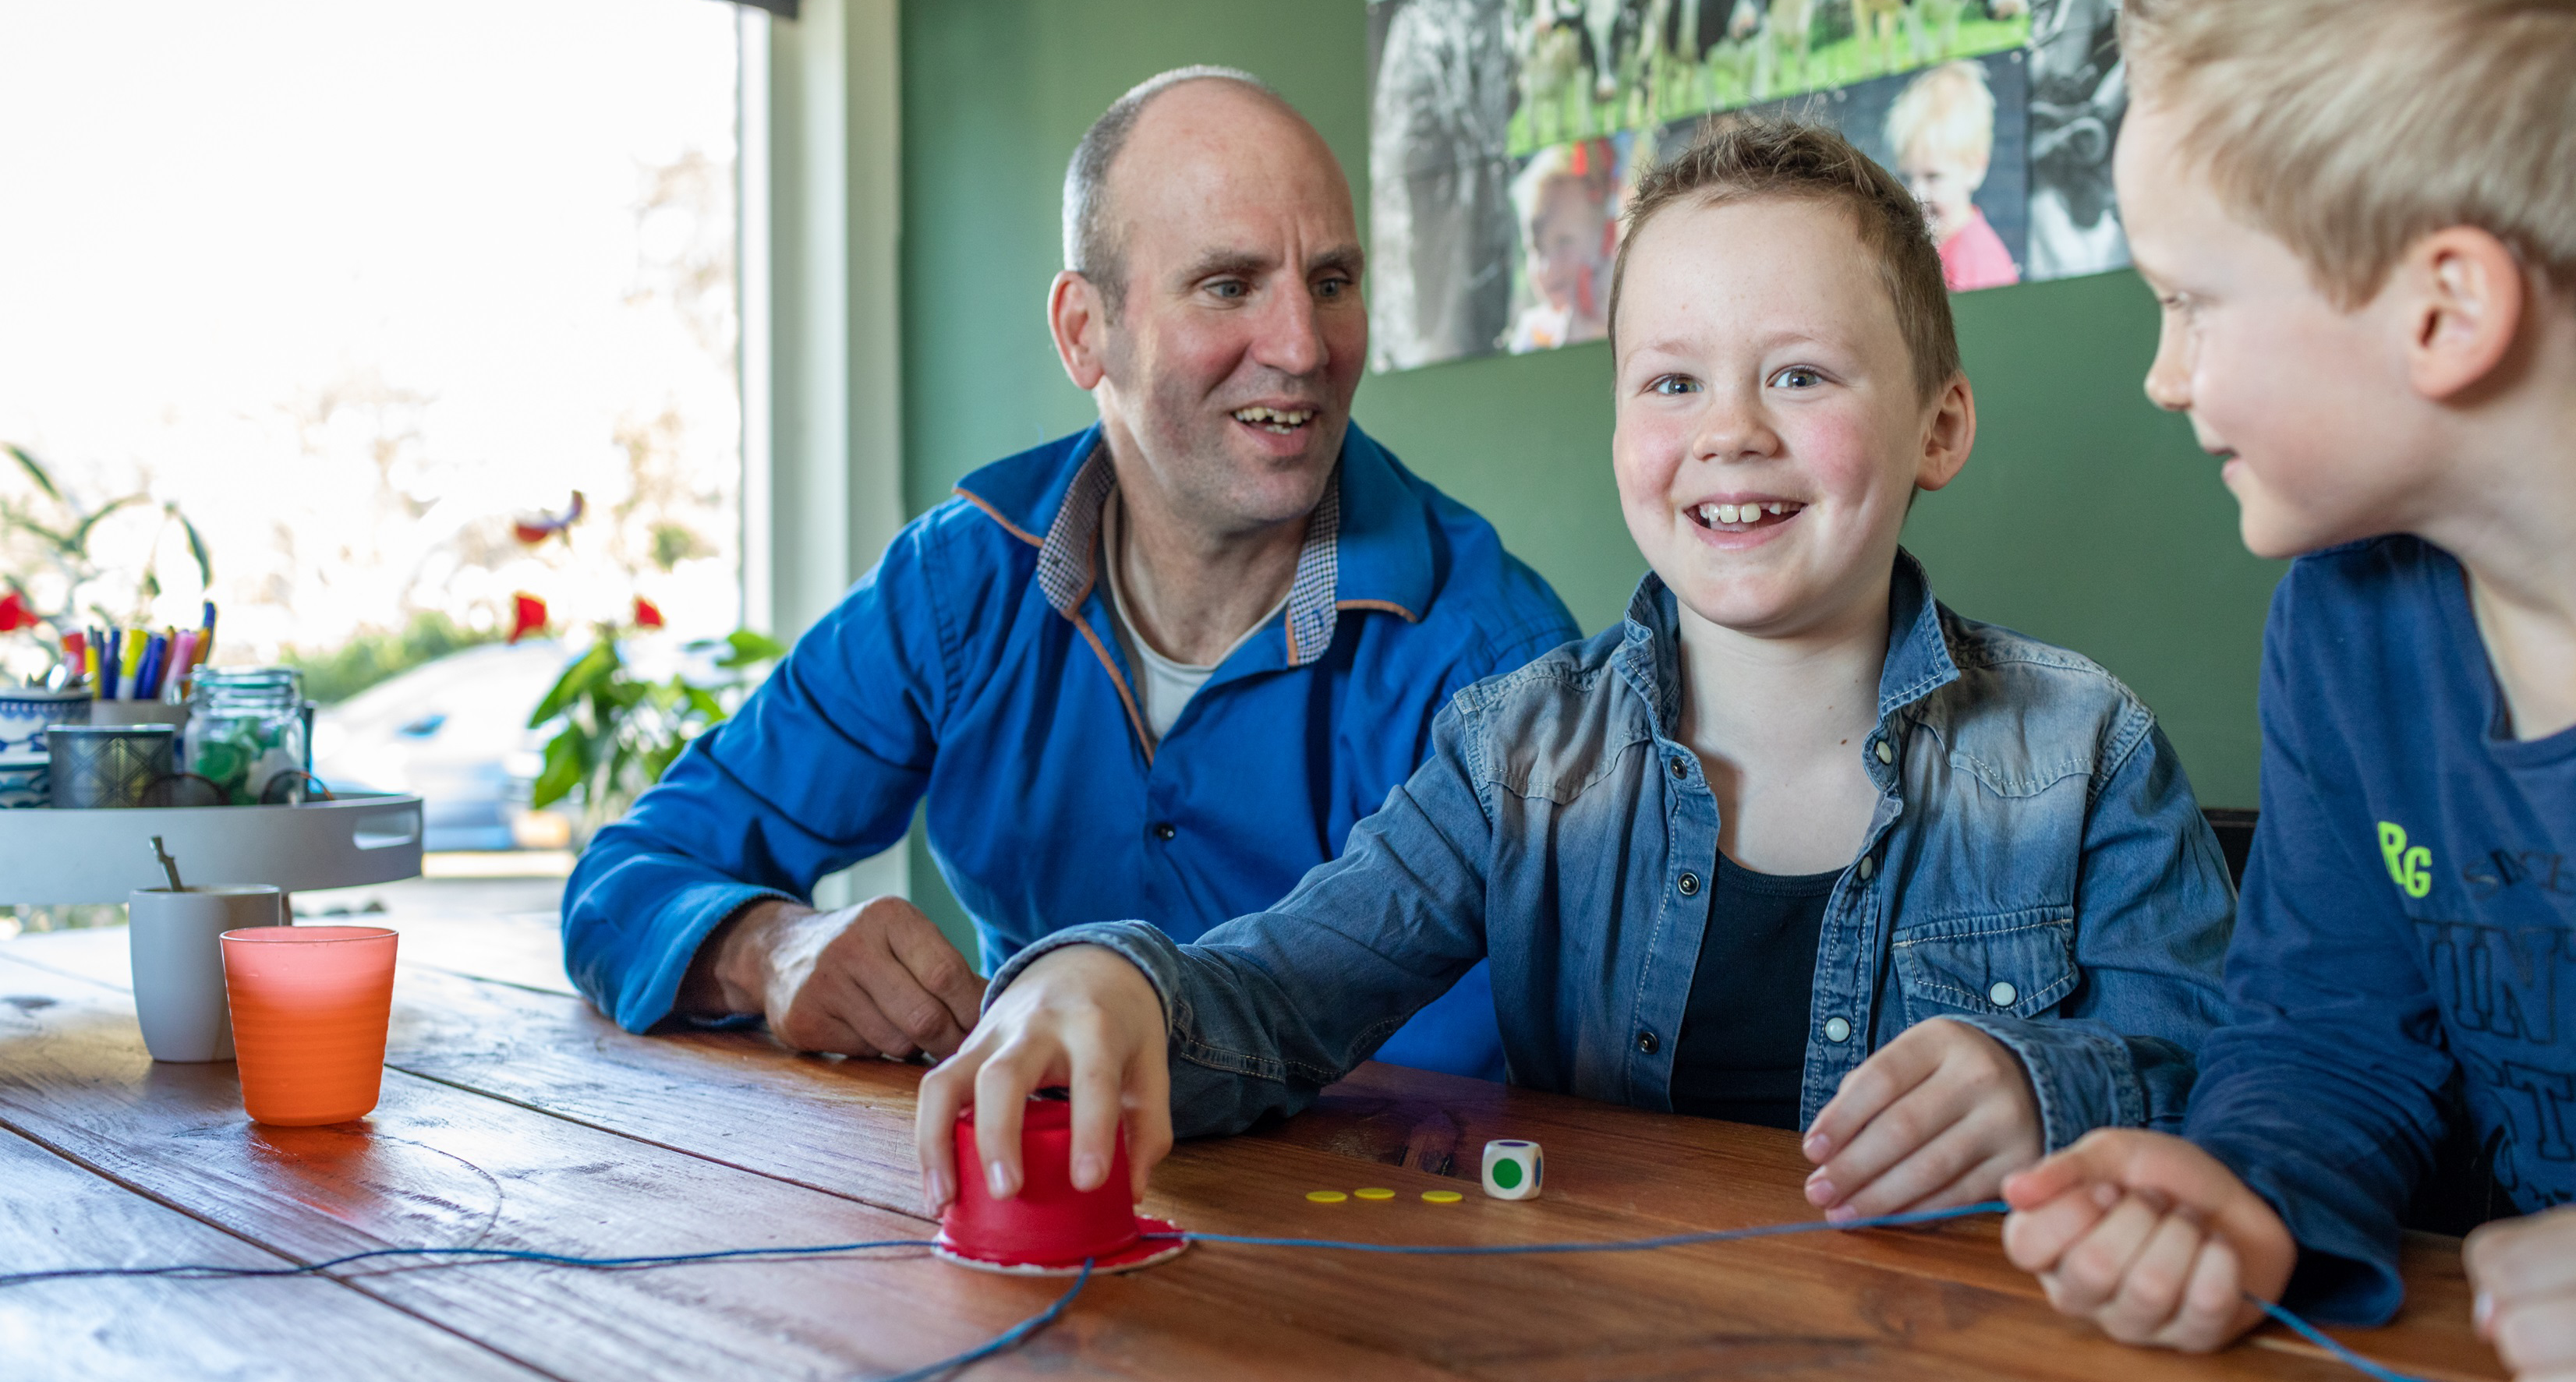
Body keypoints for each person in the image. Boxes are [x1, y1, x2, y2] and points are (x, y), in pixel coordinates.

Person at [915, 118, 2235, 1229]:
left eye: (1798, 373)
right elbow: (1275, 995)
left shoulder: (2085, 751)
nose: (1726, 430)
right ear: (1618, 430)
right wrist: (1110, 981)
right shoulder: (1512, 756)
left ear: (1936, 424)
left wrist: (2040, 1085)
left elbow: (2233, 1079)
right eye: (1669, 382)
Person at [559, 67, 1578, 1082]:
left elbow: (1546, 1079)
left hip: (1379, 1227)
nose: (1303, 346)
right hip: (1023, 1204)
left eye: (1332, 282)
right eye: (1229, 284)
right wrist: (768, 950)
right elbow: (626, 880)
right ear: (1085, 331)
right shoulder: (956, 586)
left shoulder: (1499, 657)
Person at [1992, 3, 2576, 1377]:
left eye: (2188, 302)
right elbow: (2322, 1038)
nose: (2159, 373)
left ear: (2441, 308)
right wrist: (2248, 1186)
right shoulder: (2338, 625)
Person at [1886, 61, 2020, 292]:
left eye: (1933, 177)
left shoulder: (1976, 264)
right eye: (1907, 178)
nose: (1915, 194)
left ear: (1975, 169)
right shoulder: (1934, 250)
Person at [1506, 140, 1618, 353]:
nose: (1547, 267)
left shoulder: (1621, 319)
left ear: (1605, 239)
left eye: (1564, 242)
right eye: (1536, 249)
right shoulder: (1532, 332)